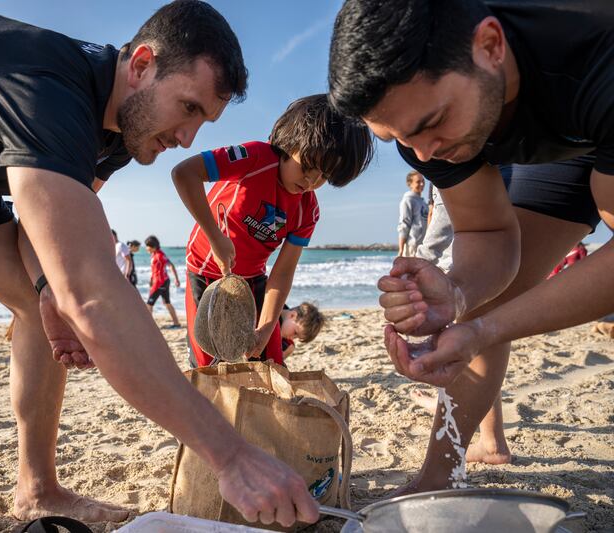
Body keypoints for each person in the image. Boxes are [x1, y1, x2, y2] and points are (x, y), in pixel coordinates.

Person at [0, 2, 320, 526]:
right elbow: (90, 290)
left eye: (205, 121)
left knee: (42, 303)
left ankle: (37, 489)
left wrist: (44, 284)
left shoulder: (123, 130)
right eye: (188, 108)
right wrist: (230, 456)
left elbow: (54, 234)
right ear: (142, 65)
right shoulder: (45, 92)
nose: (187, 140)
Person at [329, 0, 614, 493]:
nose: (423, 154)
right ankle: (439, 475)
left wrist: (487, 330)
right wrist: (459, 294)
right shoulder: (420, 127)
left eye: (431, 123)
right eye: (399, 138)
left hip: (590, 91)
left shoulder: (597, 52)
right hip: (563, 141)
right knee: (488, 299)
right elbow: (488, 234)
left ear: (489, 45)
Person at [174, 94, 373, 368]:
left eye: (324, 177)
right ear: (289, 143)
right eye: (307, 167)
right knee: (209, 361)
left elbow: (282, 271)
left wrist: (267, 326)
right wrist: (215, 237)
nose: (311, 181)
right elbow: (185, 174)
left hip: (254, 278)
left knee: (271, 361)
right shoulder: (254, 157)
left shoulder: (308, 211)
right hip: (206, 271)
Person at [144, 235, 181, 328]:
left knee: (149, 304)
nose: (146, 248)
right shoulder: (156, 254)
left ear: (153, 246)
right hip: (163, 281)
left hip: (160, 282)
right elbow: (155, 270)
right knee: (167, 302)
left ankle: (148, 326)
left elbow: (171, 266)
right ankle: (176, 323)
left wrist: (177, 279)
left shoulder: (160, 256)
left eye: (147, 246)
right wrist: (151, 280)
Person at [397, 171, 428, 257]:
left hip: (423, 246)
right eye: (418, 182)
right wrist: (401, 249)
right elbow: (404, 223)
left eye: (423, 181)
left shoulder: (423, 203)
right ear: (410, 183)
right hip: (412, 245)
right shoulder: (408, 200)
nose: (422, 184)